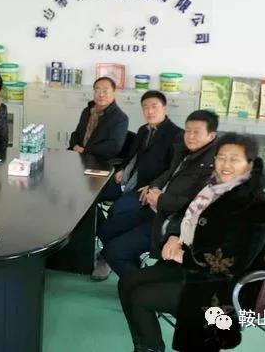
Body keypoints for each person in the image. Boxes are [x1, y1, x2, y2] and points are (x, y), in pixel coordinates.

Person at [118, 133, 265, 352]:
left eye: (234, 159)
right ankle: (147, 346)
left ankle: (149, 348)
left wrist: (185, 256)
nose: (226, 165)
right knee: (127, 282)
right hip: (190, 266)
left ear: (250, 164)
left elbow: (234, 261)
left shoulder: (256, 204)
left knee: (141, 297)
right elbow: (184, 215)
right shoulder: (212, 187)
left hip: (218, 283)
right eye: (221, 157)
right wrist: (174, 236)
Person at [99, 110, 220, 278]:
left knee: (114, 251)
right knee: (106, 229)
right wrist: (154, 187)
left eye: (197, 132)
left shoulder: (212, 166)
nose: (190, 136)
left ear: (211, 136)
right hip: (155, 210)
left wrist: (160, 199)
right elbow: (168, 174)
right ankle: (134, 272)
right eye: (188, 131)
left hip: (170, 222)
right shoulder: (185, 151)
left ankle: (138, 286)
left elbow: (193, 205)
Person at [92, 90, 183, 281]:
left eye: (154, 107)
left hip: (145, 189)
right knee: (91, 195)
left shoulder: (176, 135)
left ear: (164, 108)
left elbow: (173, 170)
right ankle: (105, 245)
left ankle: (111, 255)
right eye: (145, 107)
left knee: (118, 211)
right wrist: (121, 169)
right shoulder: (143, 130)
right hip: (129, 181)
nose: (149, 111)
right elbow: (132, 156)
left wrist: (153, 186)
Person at [68, 76, 129, 160]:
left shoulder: (120, 118)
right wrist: (75, 145)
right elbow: (76, 133)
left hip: (99, 160)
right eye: (97, 90)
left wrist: (85, 150)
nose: (101, 95)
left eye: (105, 91)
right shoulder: (88, 110)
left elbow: (113, 147)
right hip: (79, 155)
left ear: (114, 92)